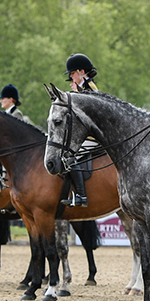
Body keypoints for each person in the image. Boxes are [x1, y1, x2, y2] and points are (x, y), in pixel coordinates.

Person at [61, 53, 101, 206]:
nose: (71, 78)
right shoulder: (84, 88)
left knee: (70, 157)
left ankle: (81, 196)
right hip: (86, 136)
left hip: (92, 137)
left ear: (81, 72)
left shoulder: (89, 89)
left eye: (72, 74)